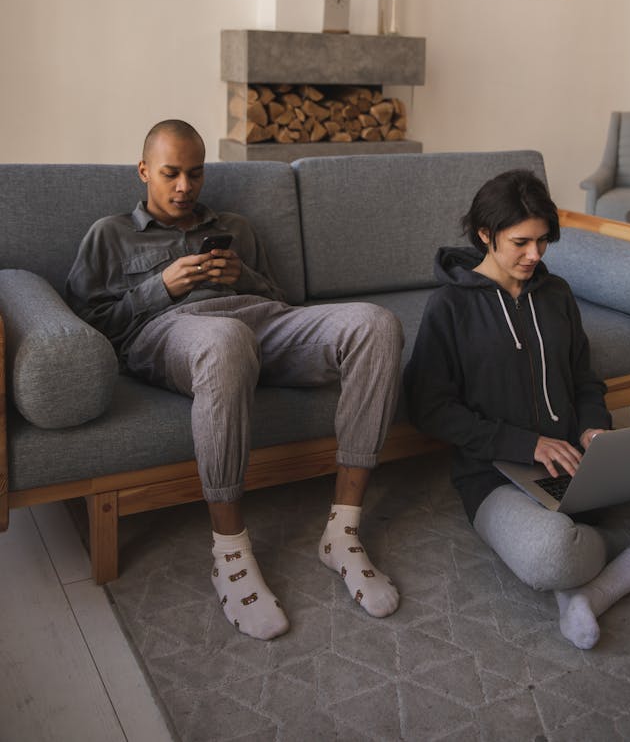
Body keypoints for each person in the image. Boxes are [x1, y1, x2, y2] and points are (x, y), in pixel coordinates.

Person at [66, 119, 403, 640]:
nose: (185, 187)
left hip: (261, 323)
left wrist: (240, 276)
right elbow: (88, 329)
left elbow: (281, 300)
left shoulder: (236, 227)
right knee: (225, 340)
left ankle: (344, 530)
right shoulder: (109, 234)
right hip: (171, 334)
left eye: (195, 174)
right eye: (171, 174)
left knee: (375, 324)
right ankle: (229, 553)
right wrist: (161, 288)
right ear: (142, 171)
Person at [403, 168, 630, 649]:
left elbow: (585, 380)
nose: (534, 255)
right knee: (553, 556)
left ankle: (598, 589)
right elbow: (430, 408)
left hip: (586, 470)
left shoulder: (557, 294)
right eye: (521, 242)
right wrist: (527, 443)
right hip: (496, 477)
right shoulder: (449, 307)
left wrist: (592, 431)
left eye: (543, 242)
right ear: (485, 234)